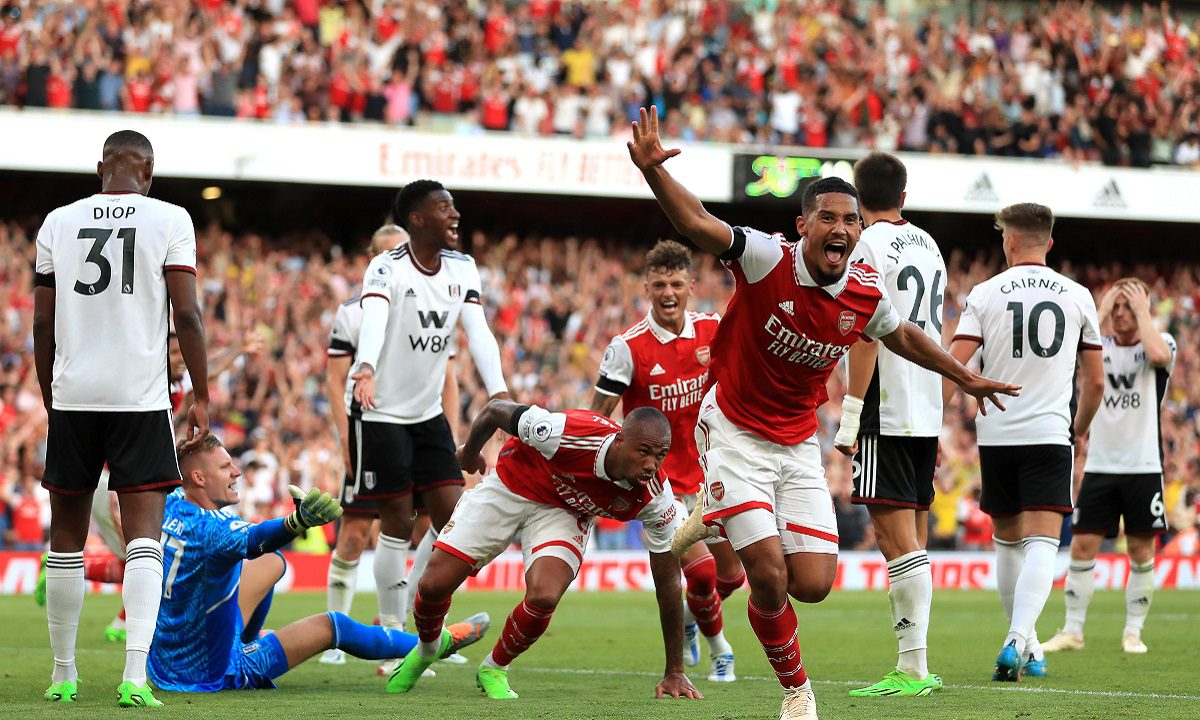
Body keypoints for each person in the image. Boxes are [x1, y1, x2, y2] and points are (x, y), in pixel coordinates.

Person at [627, 106, 1017, 720]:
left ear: (860, 230)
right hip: (733, 430)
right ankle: (798, 692)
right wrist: (653, 172)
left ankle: (717, 516)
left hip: (796, 443)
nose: (841, 228)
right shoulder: (765, 258)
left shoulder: (863, 289)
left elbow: (902, 335)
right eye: (828, 218)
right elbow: (697, 221)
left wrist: (963, 375)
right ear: (803, 224)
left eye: (850, 220)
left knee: (811, 584)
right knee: (767, 574)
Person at [33, 130, 210, 706]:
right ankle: (134, 676)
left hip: (75, 396)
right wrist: (202, 394)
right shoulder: (171, 219)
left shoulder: (58, 221)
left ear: (100, 168)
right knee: (144, 540)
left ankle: (63, 674)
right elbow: (187, 313)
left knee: (66, 538)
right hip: (139, 398)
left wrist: (50, 393)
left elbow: (42, 322)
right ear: (149, 171)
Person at [388, 400, 701, 701]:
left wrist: (675, 671)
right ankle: (429, 649)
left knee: (544, 595)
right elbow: (494, 411)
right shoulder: (565, 433)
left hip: (563, 511)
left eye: (660, 455)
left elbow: (668, 581)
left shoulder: (657, 498)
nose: (651, 464)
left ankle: (494, 668)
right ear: (620, 441)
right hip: (511, 485)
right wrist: (470, 453)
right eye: (643, 452)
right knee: (433, 585)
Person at [148, 435, 490, 692]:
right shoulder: (213, 529)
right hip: (213, 673)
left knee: (270, 563)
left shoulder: (171, 502)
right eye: (225, 467)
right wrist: (296, 522)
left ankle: (247, 639)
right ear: (199, 478)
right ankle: (436, 644)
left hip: (163, 665)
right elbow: (256, 538)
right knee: (333, 625)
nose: (236, 471)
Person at [349, 179, 508, 668]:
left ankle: (426, 634)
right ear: (417, 219)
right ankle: (393, 641)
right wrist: (366, 366)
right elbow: (374, 320)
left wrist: (499, 390)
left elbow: (478, 332)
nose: (454, 214)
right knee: (396, 523)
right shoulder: (386, 267)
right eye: (443, 207)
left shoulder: (463, 267)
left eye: (454, 206)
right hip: (382, 412)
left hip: (428, 414)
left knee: (454, 523)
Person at [946, 202, 1104, 682]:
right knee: (1042, 542)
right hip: (1049, 433)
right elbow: (1095, 382)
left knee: (1007, 544)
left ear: (1009, 240)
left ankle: (1030, 649)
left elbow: (953, 363)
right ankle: (1019, 640)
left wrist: (937, 420)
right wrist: (1079, 428)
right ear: (1048, 242)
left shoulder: (985, 293)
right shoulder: (1077, 295)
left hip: (997, 433)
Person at [590, 238, 741, 682]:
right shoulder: (628, 347)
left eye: (676, 284)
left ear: (691, 285)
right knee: (703, 572)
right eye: (659, 285)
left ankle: (690, 621)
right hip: (662, 484)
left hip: (712, 474)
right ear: (646, 289)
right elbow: (598, 416)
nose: (668, 293)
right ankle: (721, 651)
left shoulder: (713, 330)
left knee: (731, 577)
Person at [321, 224, 460, 671]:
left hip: (423, 429)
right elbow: (335, 381)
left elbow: (449, 380)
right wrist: (345, 438)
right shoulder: (353, 313)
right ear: (373, 259)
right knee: (355, 533)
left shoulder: (437, 302)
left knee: (439, 525)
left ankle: (420, 629)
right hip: (373, 429)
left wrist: (452, 438)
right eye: (388, 252)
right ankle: (341, 635)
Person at [834, 152, 947, 697]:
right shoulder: (930, 245)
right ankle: (917, 665)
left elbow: (865, 333)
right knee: (914, 537)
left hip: (887, 401)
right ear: (903, 196)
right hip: (926, 402)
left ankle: (913, 669)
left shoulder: (866, 245)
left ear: (858, 199)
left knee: (894, 539)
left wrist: (851, 412)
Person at [1042, 278, 1176, 655]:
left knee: (1141, 550)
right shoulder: (1099, 346)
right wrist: (1099, 311)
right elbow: (1066, 354)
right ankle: (1073, 630)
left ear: (1143, 309)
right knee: (1082, 545)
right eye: (1115, 306)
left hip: (1143, 465)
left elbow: (1159, 356)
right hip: (1100, 464)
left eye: (1127, 306)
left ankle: (1133, 632)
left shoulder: (1161, 342)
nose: (1120, 313)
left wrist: (1142, 310)